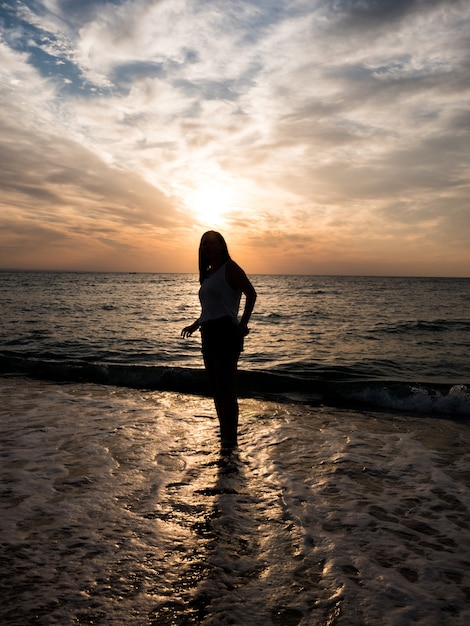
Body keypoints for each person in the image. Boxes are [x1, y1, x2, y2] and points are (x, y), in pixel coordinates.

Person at [181, 231, 257, 451]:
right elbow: (210, 308)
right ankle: (225, 436)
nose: (207, 248)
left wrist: (243, 324)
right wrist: (196, 324)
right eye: (204, 244)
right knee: (216, 388)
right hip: (208, 333)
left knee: (227, 389)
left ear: (222, 246)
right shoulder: (207, 274)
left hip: (226, 331)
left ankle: (230, 440)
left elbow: (251, 294)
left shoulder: (230, 268)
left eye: (212, 244)